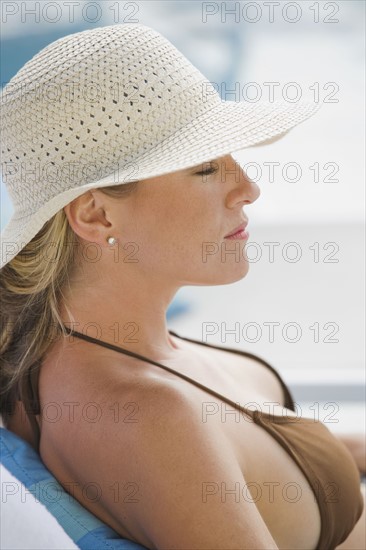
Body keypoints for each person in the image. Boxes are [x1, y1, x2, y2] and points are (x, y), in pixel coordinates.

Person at [0, 24, 364, 550]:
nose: (249, 189)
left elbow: (259, 470)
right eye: (205, 167)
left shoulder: (90, 347)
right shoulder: (147, 416)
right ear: (97, 214)